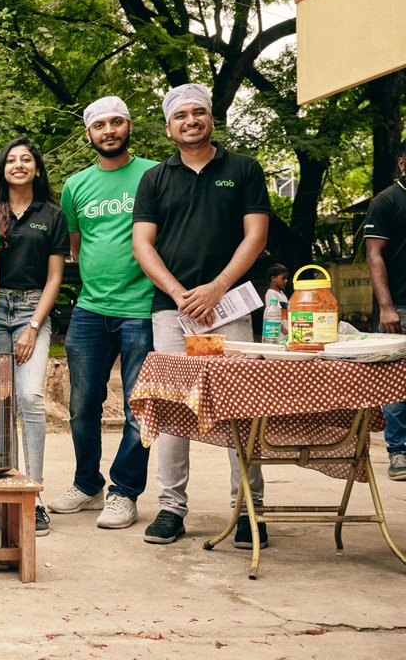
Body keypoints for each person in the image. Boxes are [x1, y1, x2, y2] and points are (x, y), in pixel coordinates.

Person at [132, 83, 271, 547]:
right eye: (180, 116)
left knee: (241, 408)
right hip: (172, 316)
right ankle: (171, 509)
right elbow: (142, 245)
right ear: (168, 127)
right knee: (172, 410)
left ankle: (250, 510)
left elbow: (254, 236)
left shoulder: (244, 169)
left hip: (230, 308)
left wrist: (216, 289)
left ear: (210, 118)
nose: (190, 121)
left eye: (198, 113)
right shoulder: (154, 178)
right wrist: (180, 294)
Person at [47, 96, 158, 530]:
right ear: (89, 134)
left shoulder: (154, 174)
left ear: (129, 126)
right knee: (82, 403)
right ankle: (86, 482)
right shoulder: (76, 185)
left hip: (144, 308)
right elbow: (76, 246)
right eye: (99, 125)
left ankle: (124, 492)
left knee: (139, 406)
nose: (108, 131)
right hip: (91, 308)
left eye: (116, 122)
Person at [0, 137, 69, 537]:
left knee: (30, 397)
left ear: (37, 168)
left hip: (32, 310)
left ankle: (32, 494)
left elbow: (56, 277)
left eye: (27, 159)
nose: (19, 165)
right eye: (11, 160)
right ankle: (5, 490)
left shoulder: (52, 213)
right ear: (2, 169)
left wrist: (34, 326)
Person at [362, 140, 406, 482]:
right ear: (402, 162)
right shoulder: (387, 200)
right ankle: (399, 451)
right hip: (400, 307)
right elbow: (374, 256)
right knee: (396, 385)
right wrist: (387, 307)